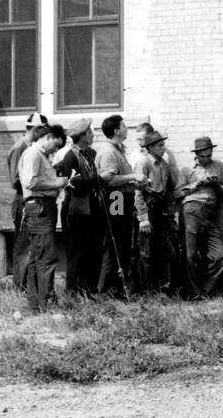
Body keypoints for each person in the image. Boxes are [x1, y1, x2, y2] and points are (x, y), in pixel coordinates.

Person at [16, 123, 68, 312]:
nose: (56, 149)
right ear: (48, 137)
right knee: (47, 257)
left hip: (41, 208)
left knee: (38, 258)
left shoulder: (40, 156)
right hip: (39, 208)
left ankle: (37, 304)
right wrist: (56, 183)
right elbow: (31, 182)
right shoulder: (33, 154)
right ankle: (47, 302)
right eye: (56, 144)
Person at [57, 117, 104, 297]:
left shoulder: (91, 154)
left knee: (92, 250)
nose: (93, 135)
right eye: (90, 132)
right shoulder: (71, 156)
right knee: (77, 251)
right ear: (83, 136)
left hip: (92, 209)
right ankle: (72, 292)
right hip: (76, 211)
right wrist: (97, 181)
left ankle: (89, 289)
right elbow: (72, 184)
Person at [178, 137, 223, 297]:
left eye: (209, 155)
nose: (206, 158)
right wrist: (197, 184)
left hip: (210, 213)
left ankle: (204, 291)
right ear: (196, 154)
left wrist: (215, 185)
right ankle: (193, 293)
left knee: (218, 256)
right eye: (203, 156)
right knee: (190, 254)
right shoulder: (187, 169)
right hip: (192, 210)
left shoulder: (219, 166)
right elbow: (177, 193)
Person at [95, 114, 139, 296]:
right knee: (116, 240)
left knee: (122, 243)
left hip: (123, 198)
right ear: (116, 130)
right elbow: (110, 180)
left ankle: (116, 287)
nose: (127, 128)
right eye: (124, 126)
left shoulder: (118, 150)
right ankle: (108, 289)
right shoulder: (109, 152)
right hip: (116, 198)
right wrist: (133, 177)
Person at [134, 129, 179, 294]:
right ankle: (145, 291)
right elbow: (138, 192)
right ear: (150, 147)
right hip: (148, 209)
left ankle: (162, 288)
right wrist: (143, 218)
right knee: (146, 252)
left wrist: (171, 213)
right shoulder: (143, 163)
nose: (163, 148)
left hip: (161, 212)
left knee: (167, 250)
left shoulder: (164, 165)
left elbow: (167, 192)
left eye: (163, 144)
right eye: (160, 145)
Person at [7, 112, 49, 274]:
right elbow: (15, 180)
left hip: (32, 201)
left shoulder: (34, 148)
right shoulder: (20, 148)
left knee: (31, 246)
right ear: (37, 130)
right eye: (44, 131)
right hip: (23, 200)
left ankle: (28, 284)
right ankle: (20, 285)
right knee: (23, 246)